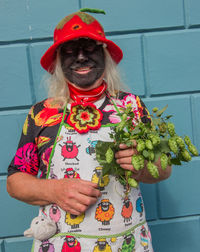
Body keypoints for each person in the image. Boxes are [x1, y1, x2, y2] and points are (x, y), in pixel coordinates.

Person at [7, 10, 171, 251]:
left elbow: (163, 169)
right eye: (70, 51)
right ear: (59, 61)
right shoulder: (41, 113)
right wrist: (54, 189)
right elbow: (15, 181)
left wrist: (145, 166)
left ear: (105, 56)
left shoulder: (131, 107)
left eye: (90, 48)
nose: (81, 57)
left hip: (127, 243)